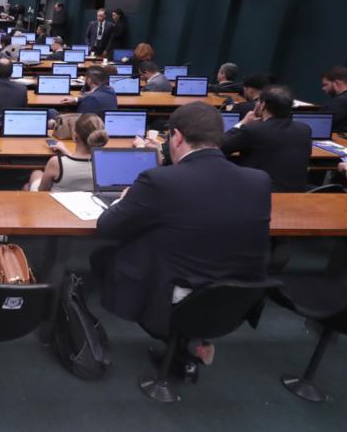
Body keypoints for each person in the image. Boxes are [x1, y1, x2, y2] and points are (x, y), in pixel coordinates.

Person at [92, 102, 271, 362]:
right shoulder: (259, 181)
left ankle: (167, 331)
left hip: (176, 291)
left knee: (101, 257)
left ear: (175, 136)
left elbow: (107, 227)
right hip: (237, 292)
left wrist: (123, 199)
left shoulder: (159, 180)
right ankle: (189, 341)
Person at [221, 85, 311, 192]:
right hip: (297, 194)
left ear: (262, 105)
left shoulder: (253, 130)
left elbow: (221, 147)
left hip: (258, 192)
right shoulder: (304, 129)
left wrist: (242, 123)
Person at [28, 114, 109, 192]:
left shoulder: (56, 162)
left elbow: (42, 191)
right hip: (92, 203)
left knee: (36, 173)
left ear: (74, 135)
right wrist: (65, 150)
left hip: (58, 204)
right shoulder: (106, 162)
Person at [321, 66, 347, 131]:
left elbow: (320, 128)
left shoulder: (333, 105)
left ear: (337, 83)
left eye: (325, 85)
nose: (323, 88)